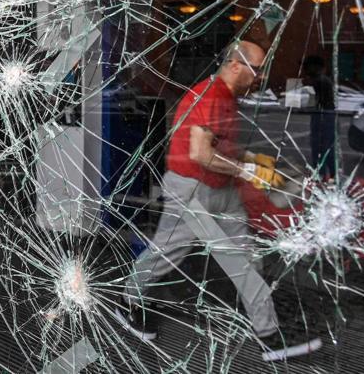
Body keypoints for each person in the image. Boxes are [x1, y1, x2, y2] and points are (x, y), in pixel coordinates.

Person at [115, 41, 322, 362]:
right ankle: (129, 299)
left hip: (221, 190)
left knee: (246, 256)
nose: (260, 77)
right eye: (257, 69)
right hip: (192, 191)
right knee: (177, 255)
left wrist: (255, 160)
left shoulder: (227, 97)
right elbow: (201, 153)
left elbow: (221, 147)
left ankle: (268, 333)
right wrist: (249, 169)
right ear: (236, 66)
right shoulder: (211, 95)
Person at [302, 55, 336, 179]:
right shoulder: (323, 80)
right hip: (325, 114)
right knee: (324, 146)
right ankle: (328, 174)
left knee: (321, 146)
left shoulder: (319, 81)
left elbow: (314, 100)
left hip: (323, 115)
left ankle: (324, 174)